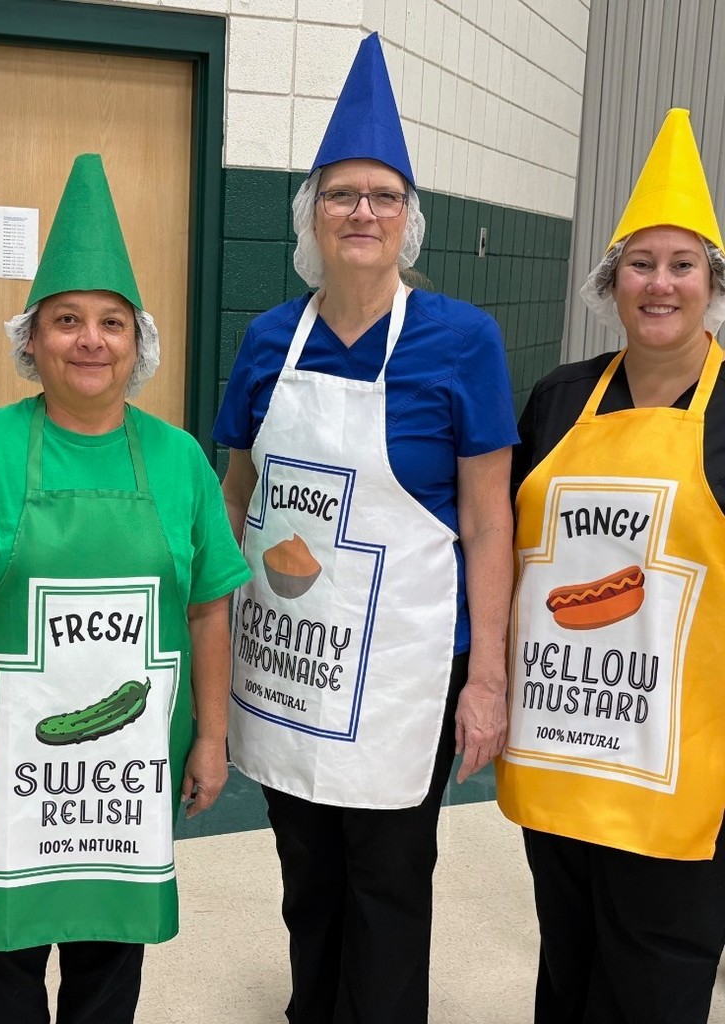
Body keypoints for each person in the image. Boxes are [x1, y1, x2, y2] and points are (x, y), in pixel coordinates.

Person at [0, 153, 250, 1024]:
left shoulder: (180, 462)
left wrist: (212, 736)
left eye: (111, 323)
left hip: (122, 778)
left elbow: (209, 608)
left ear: (138, 343)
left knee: (107, 965)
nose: (91, 340)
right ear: (31, 341)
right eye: (66, 321)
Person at [213, 33, 518, 1024]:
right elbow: (234, 497)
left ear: (408, 219)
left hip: (405, 670)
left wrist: (486, 677)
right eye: (341, 194)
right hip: (292, 657)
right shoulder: (270, 338)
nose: (362, 212)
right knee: (306, 867)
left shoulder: (461, 340)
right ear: (311, 212)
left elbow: (489, 520)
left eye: (383, 197)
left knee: (388, 877)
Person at [496, 108, 725, 1024]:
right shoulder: (560, 398)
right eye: (641, 264)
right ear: (611, 282)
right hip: (563, 746)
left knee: (656, 980)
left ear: (711, 284)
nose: (660, 283)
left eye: (682, 265)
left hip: (681, 766)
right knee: (569, 963)